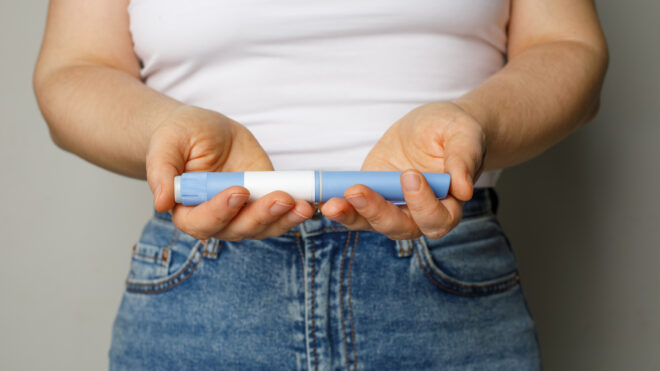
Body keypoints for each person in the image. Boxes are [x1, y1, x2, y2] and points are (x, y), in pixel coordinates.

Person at [34, 0, 608, 369]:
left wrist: (472, 124)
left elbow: (568, 49)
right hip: (204, 283)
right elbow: (74, 69)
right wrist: (164, 130)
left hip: (443, 267)